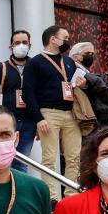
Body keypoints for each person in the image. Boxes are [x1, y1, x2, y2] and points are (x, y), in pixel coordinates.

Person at [21, 25, 84, 202]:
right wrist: (38, 118)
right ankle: (52, 198)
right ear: (53, 39)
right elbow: (28, 92)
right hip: (49, 113)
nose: (68, 41)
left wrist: (82, 83)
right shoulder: (35, 63)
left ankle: (71, 196)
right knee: (49, 158)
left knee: (74, 157)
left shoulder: (69, 61)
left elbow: (74, 86)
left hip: (71, 114)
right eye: (65, 37)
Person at [0, 31, 38, 170]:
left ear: (30, 45)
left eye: (24, 42)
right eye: (17, 43)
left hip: (29, 122)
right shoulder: (0, 67)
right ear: (11, 46)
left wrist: (39, 120)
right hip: (7, 121)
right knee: (4, 160)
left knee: (21, 162)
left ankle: (19, 190)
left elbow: (42, 95)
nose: (21, 46)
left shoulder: (36, 67)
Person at [70, 42, 108, 130]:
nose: (91, 56)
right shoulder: (74, 71)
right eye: (87, 53)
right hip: (81, 117)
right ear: (75, 57)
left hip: (91, 115)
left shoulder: (86, 72)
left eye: (92, 54)